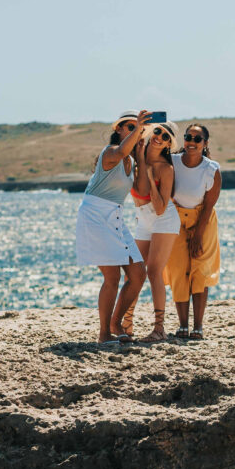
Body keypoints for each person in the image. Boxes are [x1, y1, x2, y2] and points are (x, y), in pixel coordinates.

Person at [75, 110, 151, 344]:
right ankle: (104, 334)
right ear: (118, 130)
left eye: (137, 128)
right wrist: (138, 129)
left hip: (115, 216)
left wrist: (140, 158)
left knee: (138, 274)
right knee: (112, 276)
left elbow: (143, 189)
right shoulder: (110, 153)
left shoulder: (130, 160)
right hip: (95, 215)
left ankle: (116, 322)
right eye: (130, 127)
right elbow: (119, 151)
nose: (135, 130)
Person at [124, 120, 180, 342]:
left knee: (154, 271)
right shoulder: (136, 158)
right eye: (158, 131)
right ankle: (126, 325)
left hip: (163, 218)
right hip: (142, 219)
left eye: (166, 137)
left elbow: (160, 208)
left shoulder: (166, 169)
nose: (159, 137)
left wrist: (150, 176)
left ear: (168, 145)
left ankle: (159, 329)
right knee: (135, 272)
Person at [165, 123, 221, 340]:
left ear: (205, 144)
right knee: (178, 270)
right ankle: (182, 326)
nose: (192, 142)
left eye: (198, 139)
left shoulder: (212, 169)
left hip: (203, 220)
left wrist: (198, 234)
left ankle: (198, 326)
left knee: (199, 271)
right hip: (175, 220)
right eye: (188, 137)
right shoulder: (172, 162)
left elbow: (209, 205)